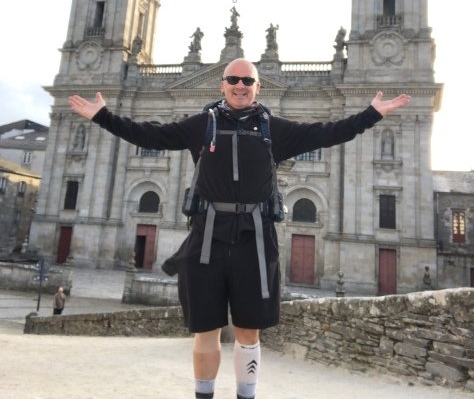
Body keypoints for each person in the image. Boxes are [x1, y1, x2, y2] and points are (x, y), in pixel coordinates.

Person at [68, 58, 410, 399]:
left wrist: (372, 113)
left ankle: (246, 396)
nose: (240, 85)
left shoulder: (274, 129)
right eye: (233, 79)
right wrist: (102, 116)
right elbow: (150, 135)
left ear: (258, 87)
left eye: (248, 80)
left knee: (249, 333)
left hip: (255, 242)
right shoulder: (202, 124)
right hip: (207, 239)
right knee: (205, 330)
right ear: (222, 84)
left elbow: (329, 132)